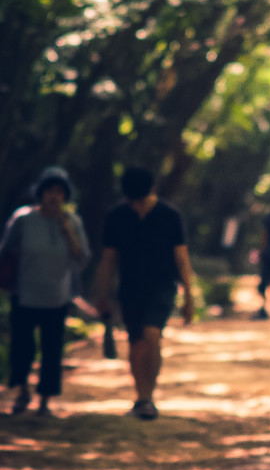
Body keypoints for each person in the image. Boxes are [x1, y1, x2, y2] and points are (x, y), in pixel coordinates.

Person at [94, 166, 195, 421]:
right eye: (132, 201)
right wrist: (101, 294)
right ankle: (140, 397)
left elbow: (181, 258)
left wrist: (190, 296)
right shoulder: (116, 216)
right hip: (130, 287)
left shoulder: (170, 216)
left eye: (141, 200)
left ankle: (149, 396)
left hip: (162, 286)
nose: (137, 206)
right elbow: (108, 259)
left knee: (152, 335)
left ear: (152, 191)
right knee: (136, 342)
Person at [0, 168, 90, 416]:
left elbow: (82, 259)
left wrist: (68, 232)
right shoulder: (23, 219)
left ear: (65, 195)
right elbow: (5, 251)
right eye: (49, 191)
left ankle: (45, 401)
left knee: (52, 350)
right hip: (24, 294)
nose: (54, 196)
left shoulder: (73, 221)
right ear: (41, 193)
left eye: (59, 192)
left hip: (57, 297)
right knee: (22, 348)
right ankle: (21, 392)